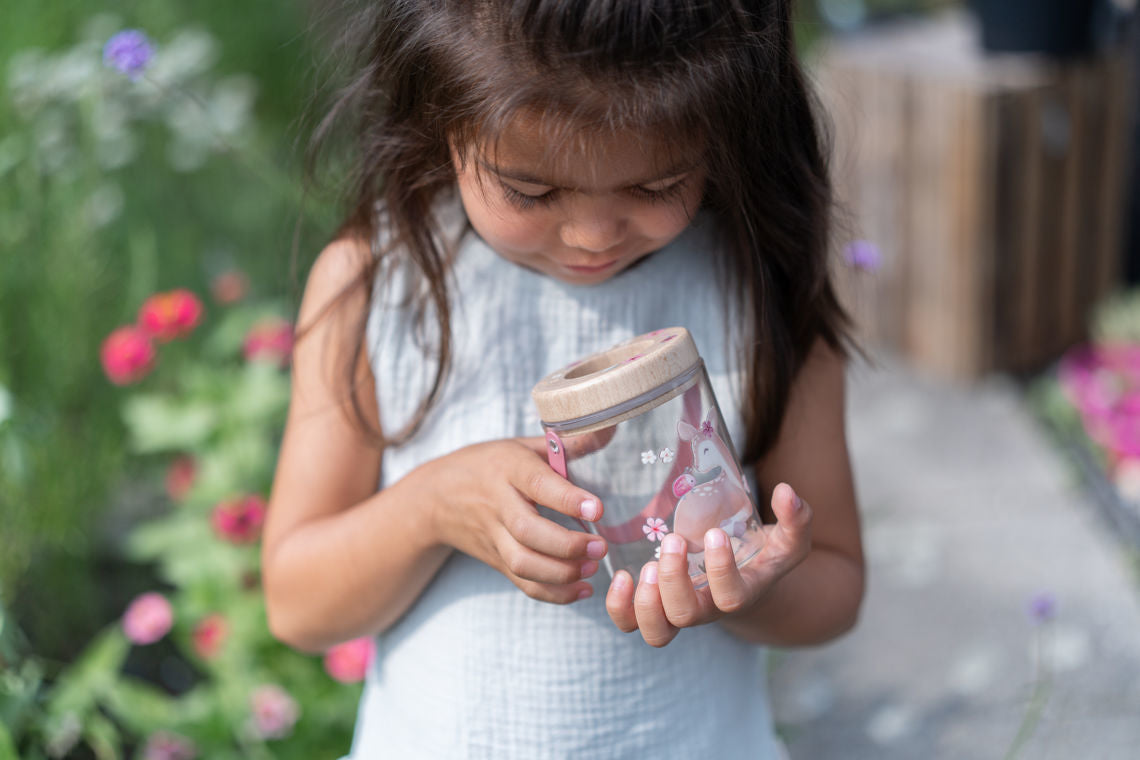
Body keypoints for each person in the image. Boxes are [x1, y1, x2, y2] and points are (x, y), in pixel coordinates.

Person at [262, 1, 865, 757]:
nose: (591, 235)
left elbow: (836, 585)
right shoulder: (378, 287)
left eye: (656, 186)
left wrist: (748, 586)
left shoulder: (757, 293)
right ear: (438, 123)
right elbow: (297, 605)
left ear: (726, 135)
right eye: (531, 190)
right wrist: (431, 508)